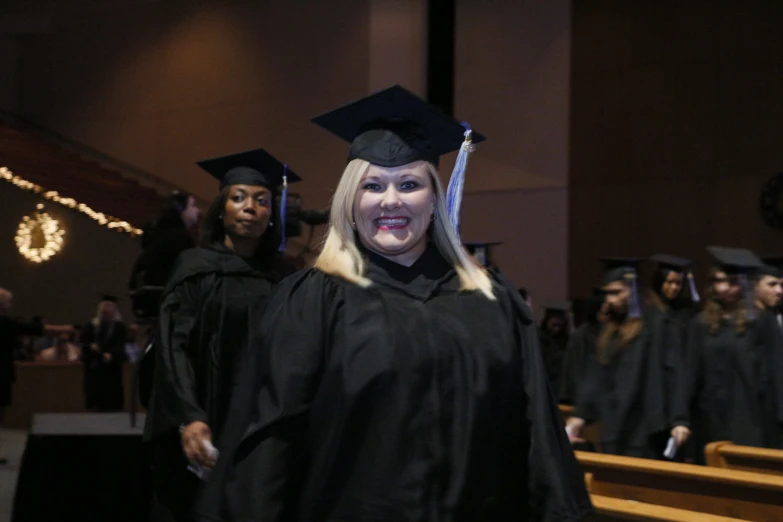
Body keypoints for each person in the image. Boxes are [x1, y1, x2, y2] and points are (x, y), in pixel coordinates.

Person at [196, 85, 591, 521]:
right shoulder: (313, 300)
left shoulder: (490, 301)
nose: (390, 201)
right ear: (351, 199)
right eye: (372, 185)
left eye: (409, 184)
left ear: (435, 198)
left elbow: (536, 432)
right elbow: (271, 442)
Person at [144, 148, 300, 522]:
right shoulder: (195, 268)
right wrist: (189, 415)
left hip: (259, 416)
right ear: (221, 208)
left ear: (271, 214)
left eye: (262, 201)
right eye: (239, 197)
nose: (250, 207)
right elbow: (172, 346)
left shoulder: (282, 276)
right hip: (205, 410)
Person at [671, 247, 783, 461]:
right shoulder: (701, 324)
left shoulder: (760, 321)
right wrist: (680, 419)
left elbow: (778, 371)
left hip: (752, 417)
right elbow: (688, 375)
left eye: (731, 282)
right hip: (710, 418)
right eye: (718, 281)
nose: (724, 288)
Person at [567, 258, 677, 460]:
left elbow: (672, 374)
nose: (610, 300)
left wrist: (679, 420)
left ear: (634, 291)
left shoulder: (656, 324)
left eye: (617, 292)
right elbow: (596, 374)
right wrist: (579, 415)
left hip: (643, 430)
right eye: (607, 294)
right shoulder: (610, 330)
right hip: (613, 424)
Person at [0, 288, 72, 464]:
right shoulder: (4, 322)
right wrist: (62, 328)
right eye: (8, 301)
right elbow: (30, 328)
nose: (11, 305)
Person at [560, 288, 607, 406]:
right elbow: (575, 371)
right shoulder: (581, 335)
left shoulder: (611, 334)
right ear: (598, 314)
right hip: (586, 400)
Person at [81, 295, 127, 411]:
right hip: (94, 368)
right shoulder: (91, 326)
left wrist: (112, 354)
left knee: (112, 399)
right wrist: (91, 347)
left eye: (109, 307)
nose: (106, 310)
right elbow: (83, 343)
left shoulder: (119, 327)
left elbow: (121, 345)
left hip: (112, 369)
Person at [538, 301, 571, 394]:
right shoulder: (538, 339)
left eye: (559, 326)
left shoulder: (566, 342)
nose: (556, 329)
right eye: (554, 325)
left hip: (559, 387)